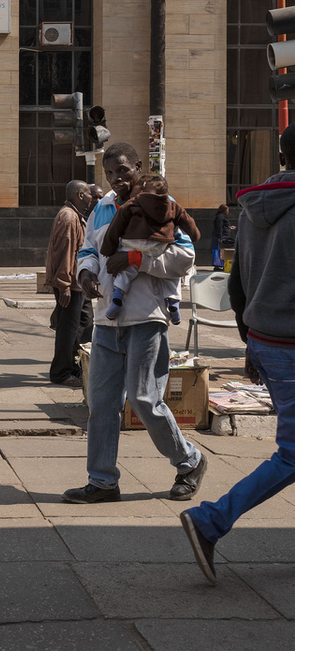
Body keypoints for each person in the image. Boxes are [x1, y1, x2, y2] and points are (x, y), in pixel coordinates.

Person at [180, 125, 294, 584]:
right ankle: (210, 520)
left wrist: (250, 339)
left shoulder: (254, 204)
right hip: (294, 343)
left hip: (267, 339)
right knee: (298, 454)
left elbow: (238, 279)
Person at [64, 142, 206, 504]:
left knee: (145, 399)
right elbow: (89, 251)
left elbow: (185, 256)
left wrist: (135, 259)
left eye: (124, 171)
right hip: (107, 322)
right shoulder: (101, 208)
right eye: (110, 173)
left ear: (139, 167)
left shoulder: (161, 202)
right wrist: (85, 274)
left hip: (147, 317)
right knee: (101, 403)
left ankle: (189, 461)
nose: (117, 179)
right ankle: (102, 481)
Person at [99, 174, 200, 324]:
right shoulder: (173, 205)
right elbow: (190, 225)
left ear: (144, 185)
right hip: (159, 245)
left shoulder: (133, 203)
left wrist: (108, 249)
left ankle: (117, 298)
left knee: (126, 271)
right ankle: (173, 302)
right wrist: (195, 235)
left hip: (133, 243)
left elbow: (115, 227)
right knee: (171, 275)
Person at [44, 180, 94, 388]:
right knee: (67, 329)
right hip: (69, 283)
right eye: (89, 193)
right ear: (80, 195)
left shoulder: (74, 215)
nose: (92, 197)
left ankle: (74, 365)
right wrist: (64, 284)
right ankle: (61, 372)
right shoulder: (68, 217)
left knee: (81, 324)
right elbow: (65, 252)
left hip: (75, 283)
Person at [210, 204, 234, 271]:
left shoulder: (222, 217)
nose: (228, 211)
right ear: (224, 210)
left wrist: (229, 227)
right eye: (227, 210)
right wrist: (219, 237)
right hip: (220, 236)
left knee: (220, 251)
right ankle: (218, 265)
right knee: (218, 251)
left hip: (222, 235)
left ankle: (220, 265)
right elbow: (219, 227)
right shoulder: (220, 217)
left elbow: (223, 226)